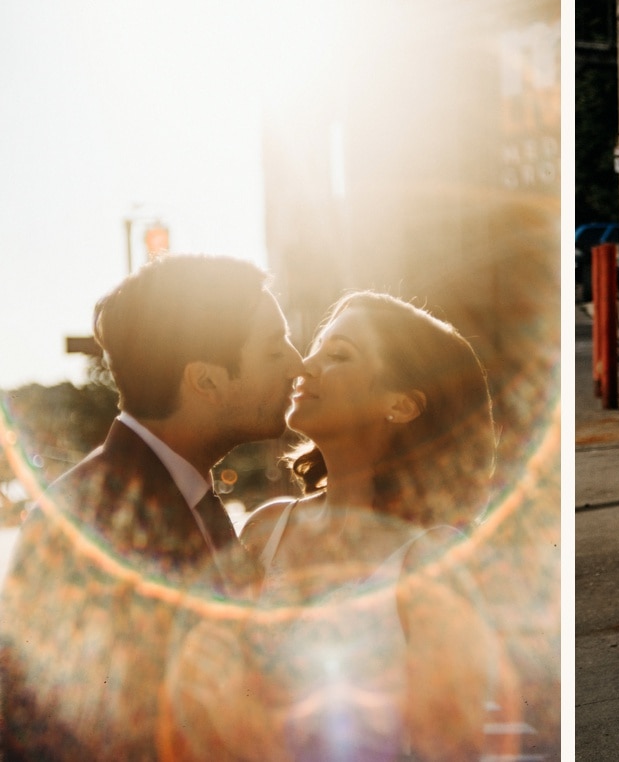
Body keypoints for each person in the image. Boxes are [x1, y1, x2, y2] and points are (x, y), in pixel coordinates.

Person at [170, 292, 506, 760]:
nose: (304, 367)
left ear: (402, 404)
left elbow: (451, 747)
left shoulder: (432, 560)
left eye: (338, 355)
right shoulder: (266, 530)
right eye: (315, 348)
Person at [0, 255, 306, 759]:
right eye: (276, 349)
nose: (297, 364)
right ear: (205, 381)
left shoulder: (186, 495)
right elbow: (42, 731)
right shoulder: (90, 519)